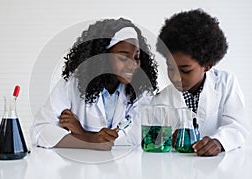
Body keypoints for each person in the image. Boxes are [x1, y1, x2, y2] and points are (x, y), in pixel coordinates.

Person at [31, 18, 159, 150]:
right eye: (123, 57)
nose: (132, 65)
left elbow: (136, 138)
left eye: (137, 57)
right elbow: (40, 131)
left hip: (123, 167)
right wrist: (91, 140)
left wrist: (83, 134)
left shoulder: (141, 90)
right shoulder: (72, 84)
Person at [154, 9, 249, 156]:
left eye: (185, 70)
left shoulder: (225, 83)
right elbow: (153, 135)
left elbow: (237, 127)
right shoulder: (162, 98)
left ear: (207, 65)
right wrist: (167, 137)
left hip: (217, 169)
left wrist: (218, 142)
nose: (175, 77)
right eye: (170, 68)